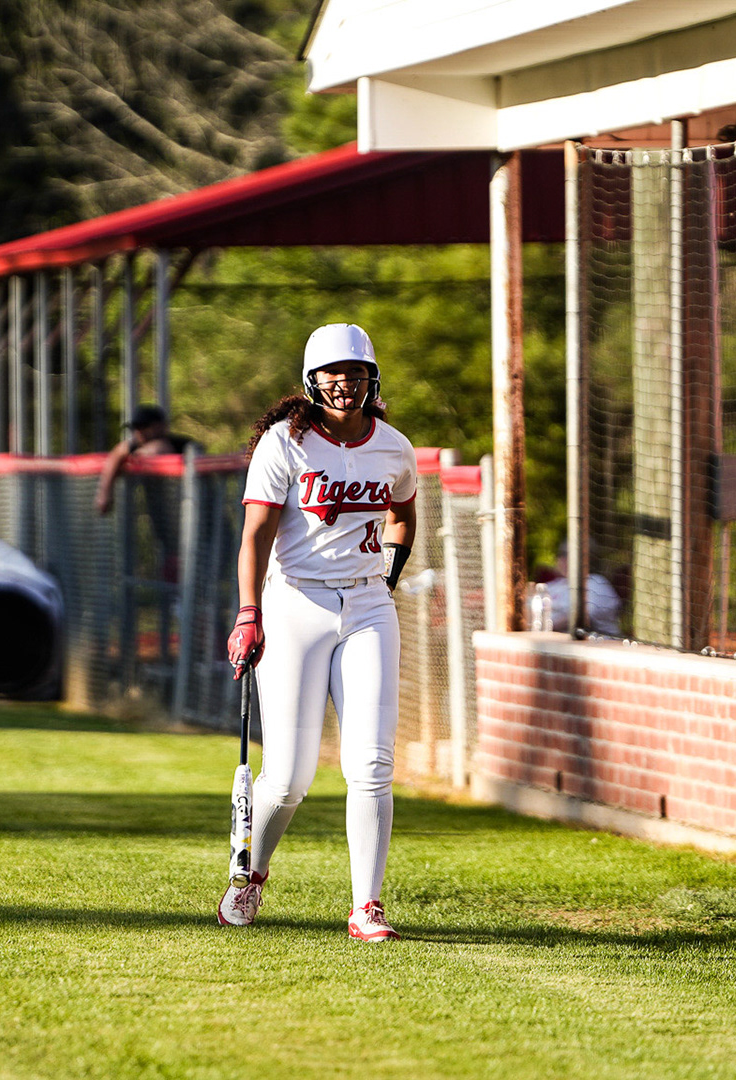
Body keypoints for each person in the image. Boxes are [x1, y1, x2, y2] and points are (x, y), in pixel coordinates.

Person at [220, 323, 419, 942]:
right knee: (289, 777)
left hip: (367, 605)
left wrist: (385, 579)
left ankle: (367, 906)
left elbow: (403, 517)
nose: (345, 384)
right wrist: (248, 614)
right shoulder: (285, 442)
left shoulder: (393, 447)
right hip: (295, 603)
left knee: (372, 764)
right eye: (333, 374)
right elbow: (255, 536)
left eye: (356, 373)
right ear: (312, 380)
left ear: (372, 379)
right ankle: (251, 873)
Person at [95, 404, 196, 516]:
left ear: (160, 426)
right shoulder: (138, 444)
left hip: (187, 504)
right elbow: (117, 452)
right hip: (161, 511)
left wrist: (135, 456)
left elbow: (159, 449)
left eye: (144, 426)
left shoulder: (183, 445)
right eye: (136, 427)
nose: (139, 431)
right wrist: (105, 492)